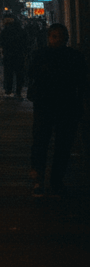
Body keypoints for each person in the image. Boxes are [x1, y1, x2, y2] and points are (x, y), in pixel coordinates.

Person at [26, 23, 88, 197]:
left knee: (44, 142)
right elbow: (81, 81)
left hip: (49, 104)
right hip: (62, 105)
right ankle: (53, 180)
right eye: (54, 36)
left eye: (59, 36)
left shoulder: (41, 55)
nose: (57, 40)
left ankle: (42, 179)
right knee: (56, 144)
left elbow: (31, 74)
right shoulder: (74, 56)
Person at [0, 14, 29, 99]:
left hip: (8, 55)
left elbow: (1, 42)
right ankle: (18, 91)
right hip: (19, 55)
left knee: (9, 73)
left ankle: (8, 90)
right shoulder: (21, 30)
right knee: (19, 74)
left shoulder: (5, 31)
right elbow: (26, 42)